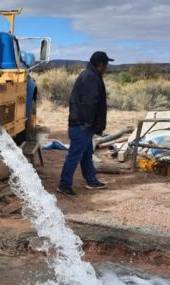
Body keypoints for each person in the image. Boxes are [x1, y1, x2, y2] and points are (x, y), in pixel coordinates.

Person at [57, 51, 113, 197]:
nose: (107, 67)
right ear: (101, 64)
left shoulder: (90, 75)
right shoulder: (91, 77)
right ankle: (64, 185)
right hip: (82, 125)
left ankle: (91, 180)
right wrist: (90, 124)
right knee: (74, 156)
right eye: (106, 64)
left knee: (87, 154)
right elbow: (89, 104)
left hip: (82, 125)